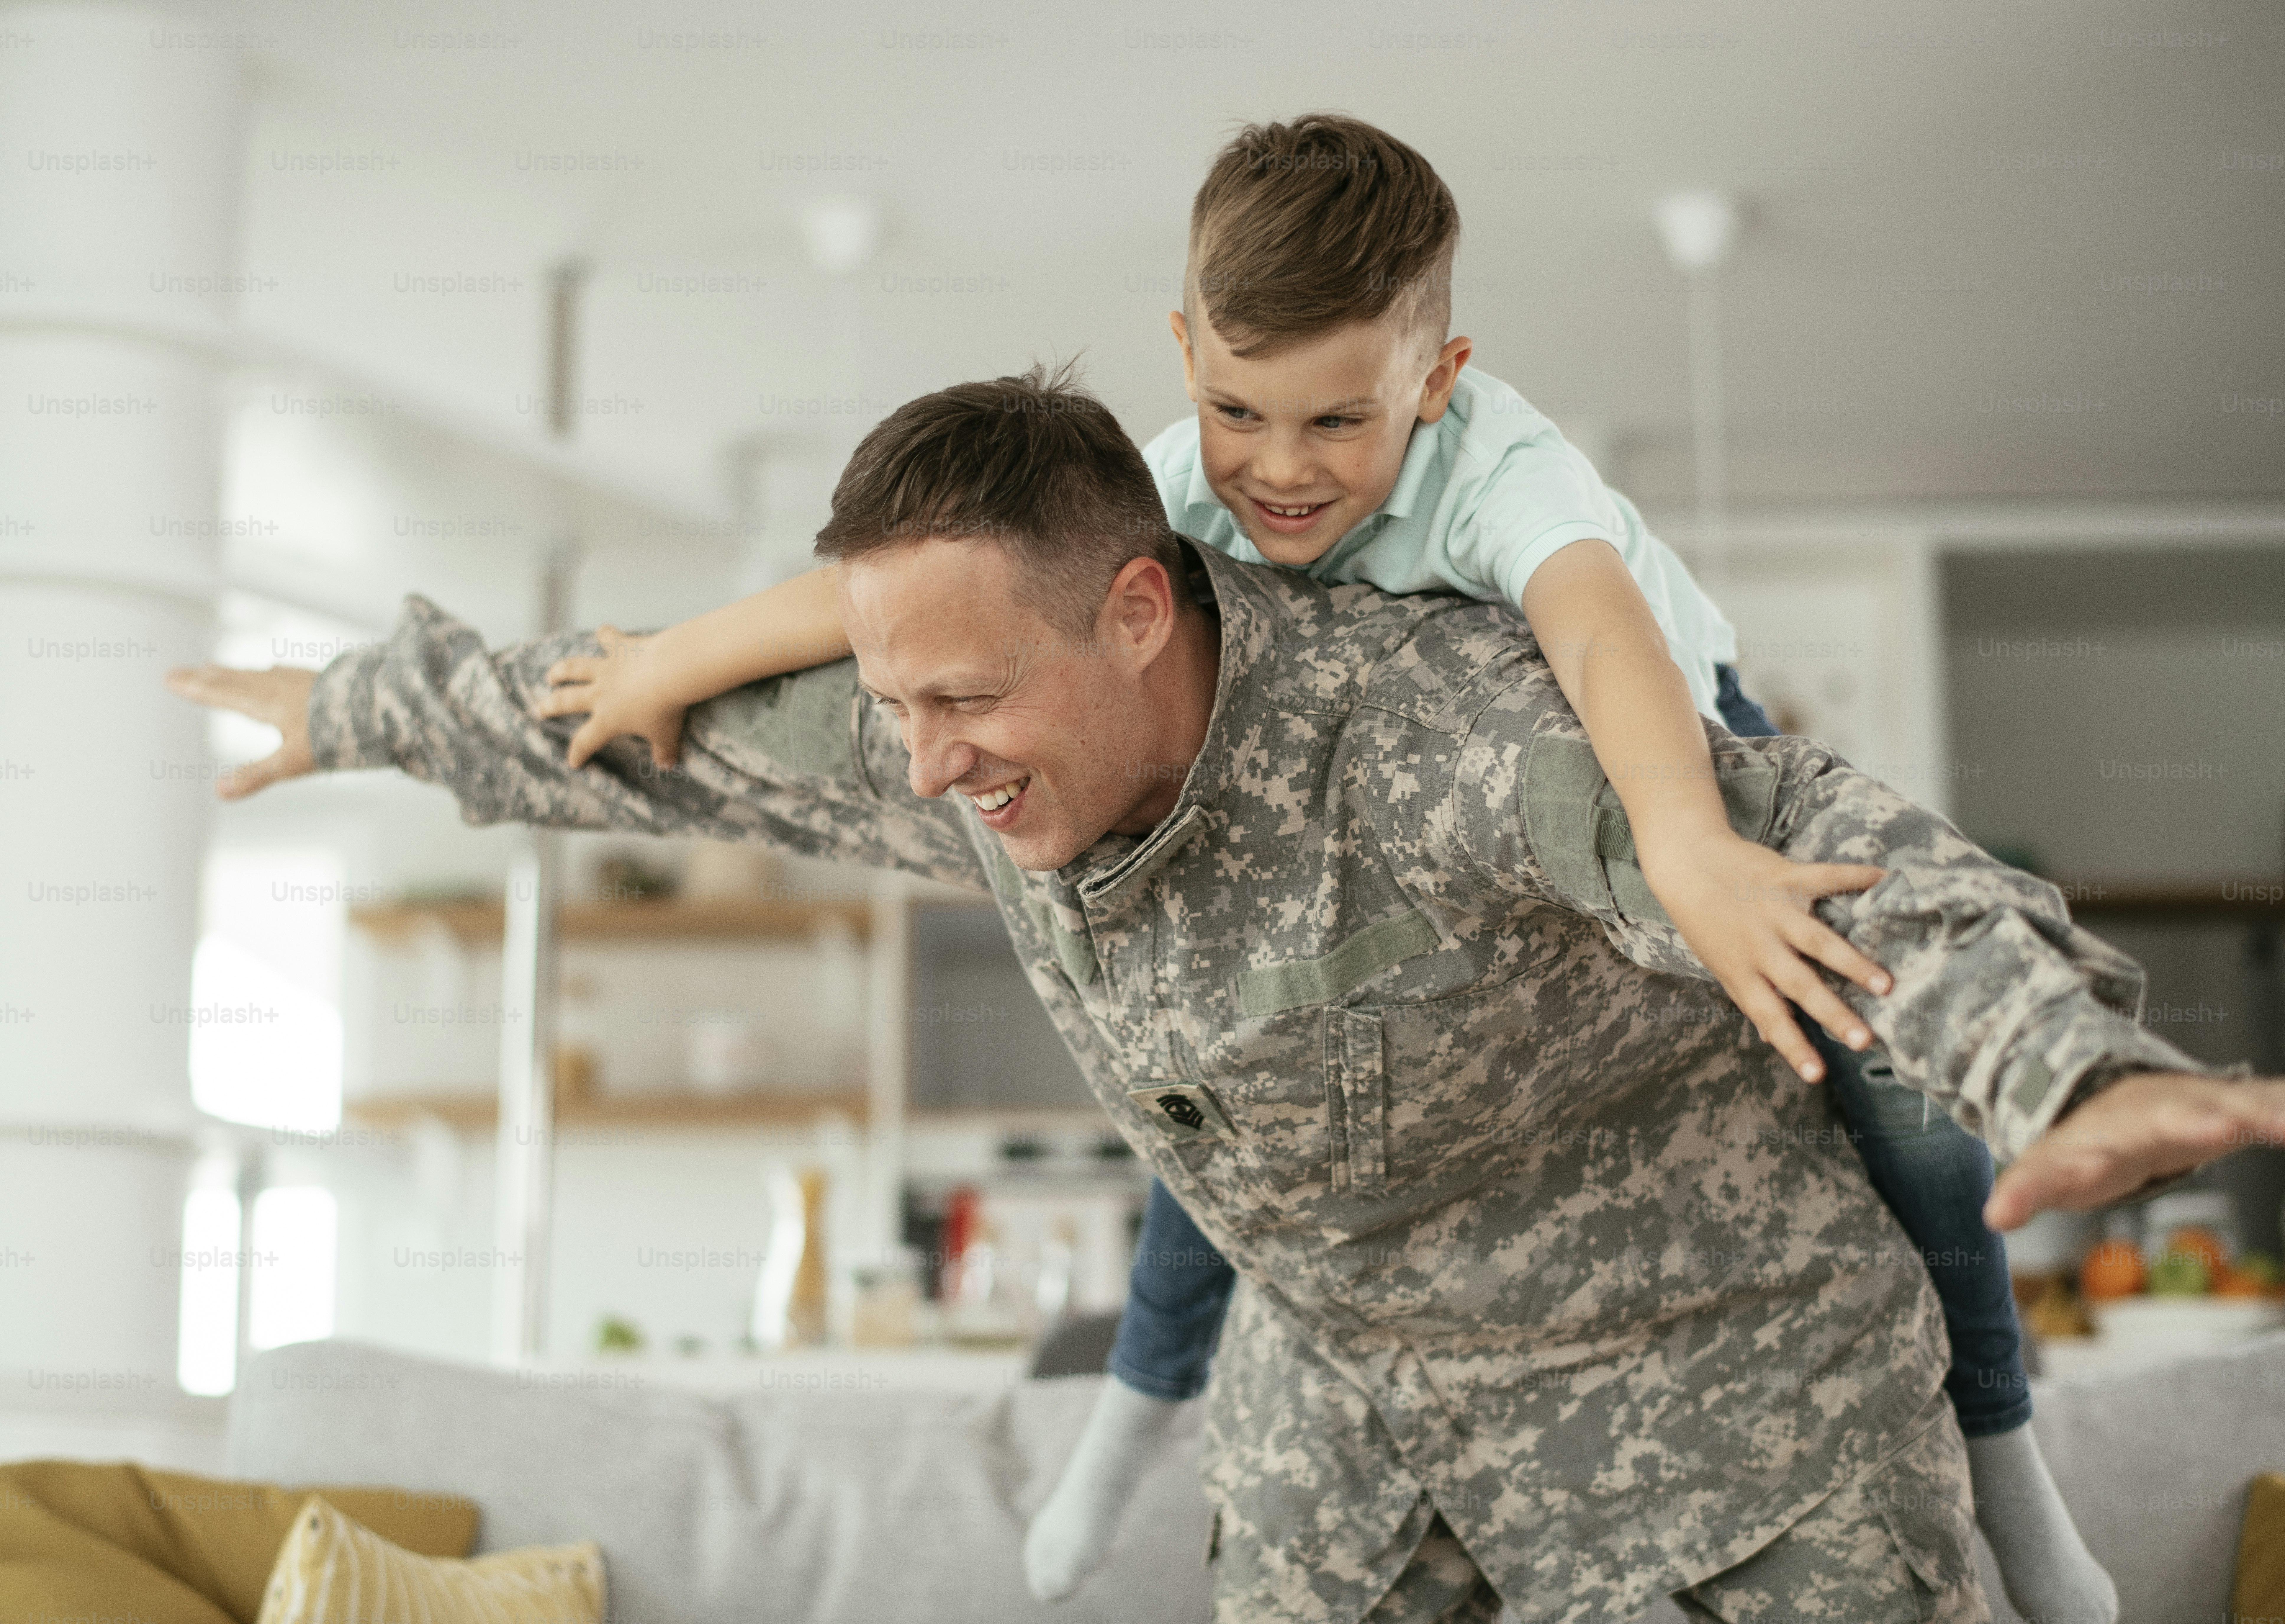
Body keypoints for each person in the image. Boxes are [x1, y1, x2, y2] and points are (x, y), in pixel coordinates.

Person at [168, 366, 2278, 1623]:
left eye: (968, 701)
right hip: (1349, 1457)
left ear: (1136, 609)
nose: (926, 764)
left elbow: (1830, 850)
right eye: (897, 705)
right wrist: (352, 707)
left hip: (1729, 1430)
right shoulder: (950, 734)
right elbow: (637, 726)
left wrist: (2065, 1068)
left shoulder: (1442, 735)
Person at [464, 114, 2097, 1619]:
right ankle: (1131, 1413)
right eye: (1241, 411)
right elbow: (881, 593)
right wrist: (664, 661)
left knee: (1891, 1093)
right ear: (1187, 356)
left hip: (1662, 739)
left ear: (1438, 378)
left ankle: (2004, 1448)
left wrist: (1688, 846)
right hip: (1371, 819)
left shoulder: (1506, 472)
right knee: (1236, 1127)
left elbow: (1603, 639)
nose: (1283, 469)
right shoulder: (1175, 486)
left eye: (1340, 420)